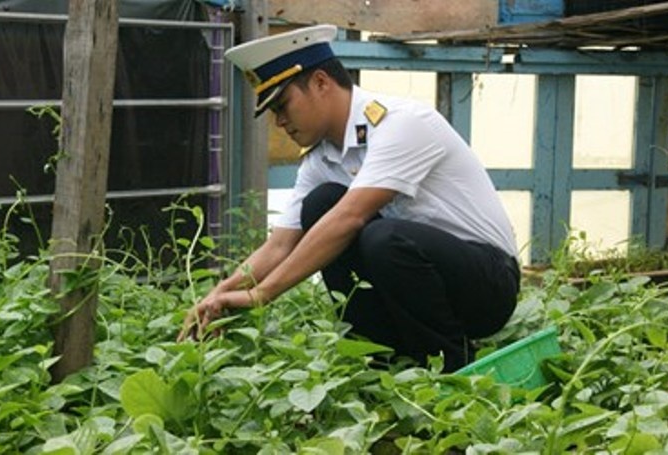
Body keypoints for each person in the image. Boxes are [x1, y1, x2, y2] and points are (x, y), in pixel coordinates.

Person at [179, 24, 520, 372]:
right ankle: (381, 359)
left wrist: (263, 294)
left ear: (321, 83)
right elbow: (280, 245)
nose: (280, 121)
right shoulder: (321, 159)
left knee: (380, 235)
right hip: (420, 279)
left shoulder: (400, 123)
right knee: (321, 203)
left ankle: (452, 364)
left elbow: (350, 218)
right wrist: (221, 293)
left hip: (488, 284)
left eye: (283, 105)